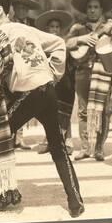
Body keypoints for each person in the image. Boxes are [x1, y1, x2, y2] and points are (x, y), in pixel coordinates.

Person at [0, 0, 84, 218]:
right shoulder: (25, 28)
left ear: (0, 11)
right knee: (57, 146)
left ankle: (8, 195)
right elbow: (59, 44)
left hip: (29, 94)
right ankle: (75, 201)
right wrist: (52, 74)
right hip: (48, 90)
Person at [66, 0, 112, 162]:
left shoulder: (109, 27)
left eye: (96, 7)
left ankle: (99, 148)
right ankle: (86, 148)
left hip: (103, 73)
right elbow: (66, 43)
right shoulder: (78, 27)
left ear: (101, 9)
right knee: (83, 111)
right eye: (89, 7)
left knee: (103, 111)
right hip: (82, 72)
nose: (92, 10)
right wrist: (81, 39)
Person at [6, 0, 42, 148]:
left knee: (24, 101)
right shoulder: (8, 24)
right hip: (10, 67)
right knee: (10, 101)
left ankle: (19, 137)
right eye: (18, 6)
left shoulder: (34, 24)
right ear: (14, 7)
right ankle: (8, 136)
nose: (22, 10)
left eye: (25, 7)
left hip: (28, 67)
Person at [35, 10, 75, 155]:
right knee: (48, 110)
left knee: (64, 111)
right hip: (48, 80)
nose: (55, 30)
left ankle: (67, 140)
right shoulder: (42, 45)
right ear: (47, 29)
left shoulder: (64, 43)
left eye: (57, 27)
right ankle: (50, 140)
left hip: (65, 82)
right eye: (52, 27)